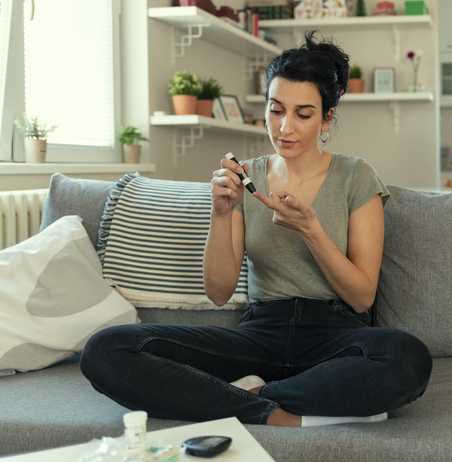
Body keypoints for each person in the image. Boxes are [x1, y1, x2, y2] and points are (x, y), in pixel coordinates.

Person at [80, 31, 432, 427]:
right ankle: (280, 410)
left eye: (303, 114)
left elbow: (362, 296)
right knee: (107, 349)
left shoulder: (356, 176)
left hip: (335, 336)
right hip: (260, 334)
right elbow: (218, 291)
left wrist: (311, 230)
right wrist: (221, 212)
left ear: (327, 118)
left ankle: (251, 397)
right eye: (275, 109)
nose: (284, 127)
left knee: (407, 358)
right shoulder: (247, 177)